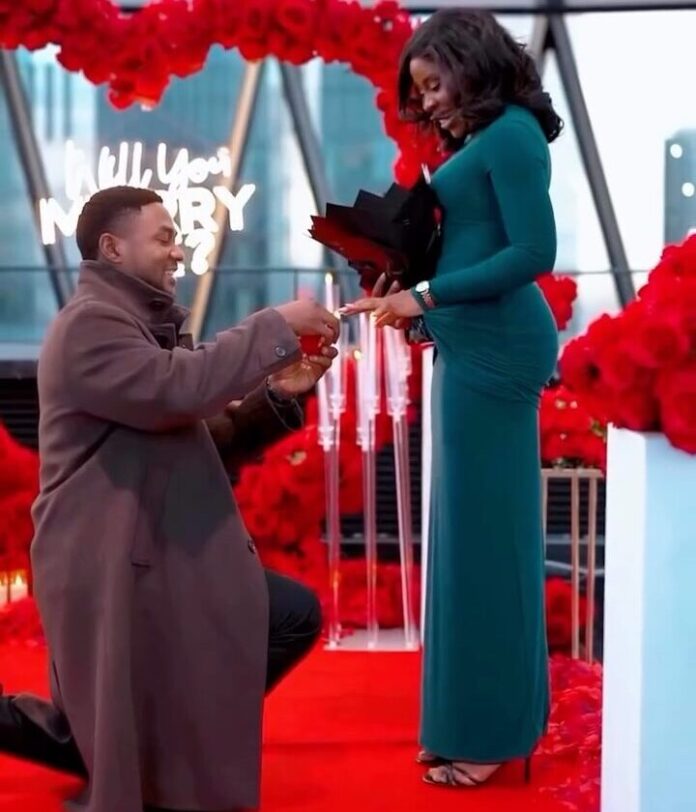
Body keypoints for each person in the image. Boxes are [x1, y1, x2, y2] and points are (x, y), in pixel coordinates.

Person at [0, 185, 340, 812]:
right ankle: (150, 755)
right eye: (162, 237)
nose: (177, 251)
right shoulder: (90, 326)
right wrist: (272, 328)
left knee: (283, 616)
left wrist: (280, 397)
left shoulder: (136, 326)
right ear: (112, 247)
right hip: (112, 557)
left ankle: (161, 749)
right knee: (265, 622)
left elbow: (200, 435)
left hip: (149, 549)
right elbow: (176, 391)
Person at [344, 9, 562, 790]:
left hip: (498, 350)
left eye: (435, 83)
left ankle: (494, 730)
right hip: (468, 344)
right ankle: (466, 724)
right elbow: (475, 241)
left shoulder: (509, 136)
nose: (428, 101)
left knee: (485, 545)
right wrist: (407, 282)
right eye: (420, 90)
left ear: (471, 63)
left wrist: (425, 294)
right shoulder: (482, 141)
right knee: (464, 542)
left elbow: (536, 252)